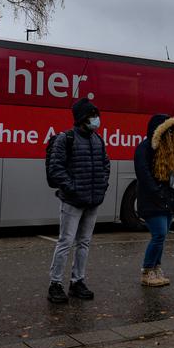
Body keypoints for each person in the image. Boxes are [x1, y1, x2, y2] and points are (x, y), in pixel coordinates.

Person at [45, 99, 111, 303]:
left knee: (84, 242)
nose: (96, 119)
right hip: (73, 201)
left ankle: (77, 281)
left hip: (92, 200)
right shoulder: (66, 139)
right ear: (82, 118)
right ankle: (55, 284)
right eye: (92, 115)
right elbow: (56, 169)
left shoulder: (97, 139)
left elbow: (105, 165)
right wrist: (72, 189)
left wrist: (101, 186)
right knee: (65, 241)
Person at [135, 114, 174, 286]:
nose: (171, 135)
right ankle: (147, 271)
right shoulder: (145, 148)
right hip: (152, 200)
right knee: (159, 234)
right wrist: (158, 193)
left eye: (173, 132)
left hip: (168, 201)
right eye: (168, 131)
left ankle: (156, 268)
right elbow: (143, 174)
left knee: (161, 237)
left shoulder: (172, 151)